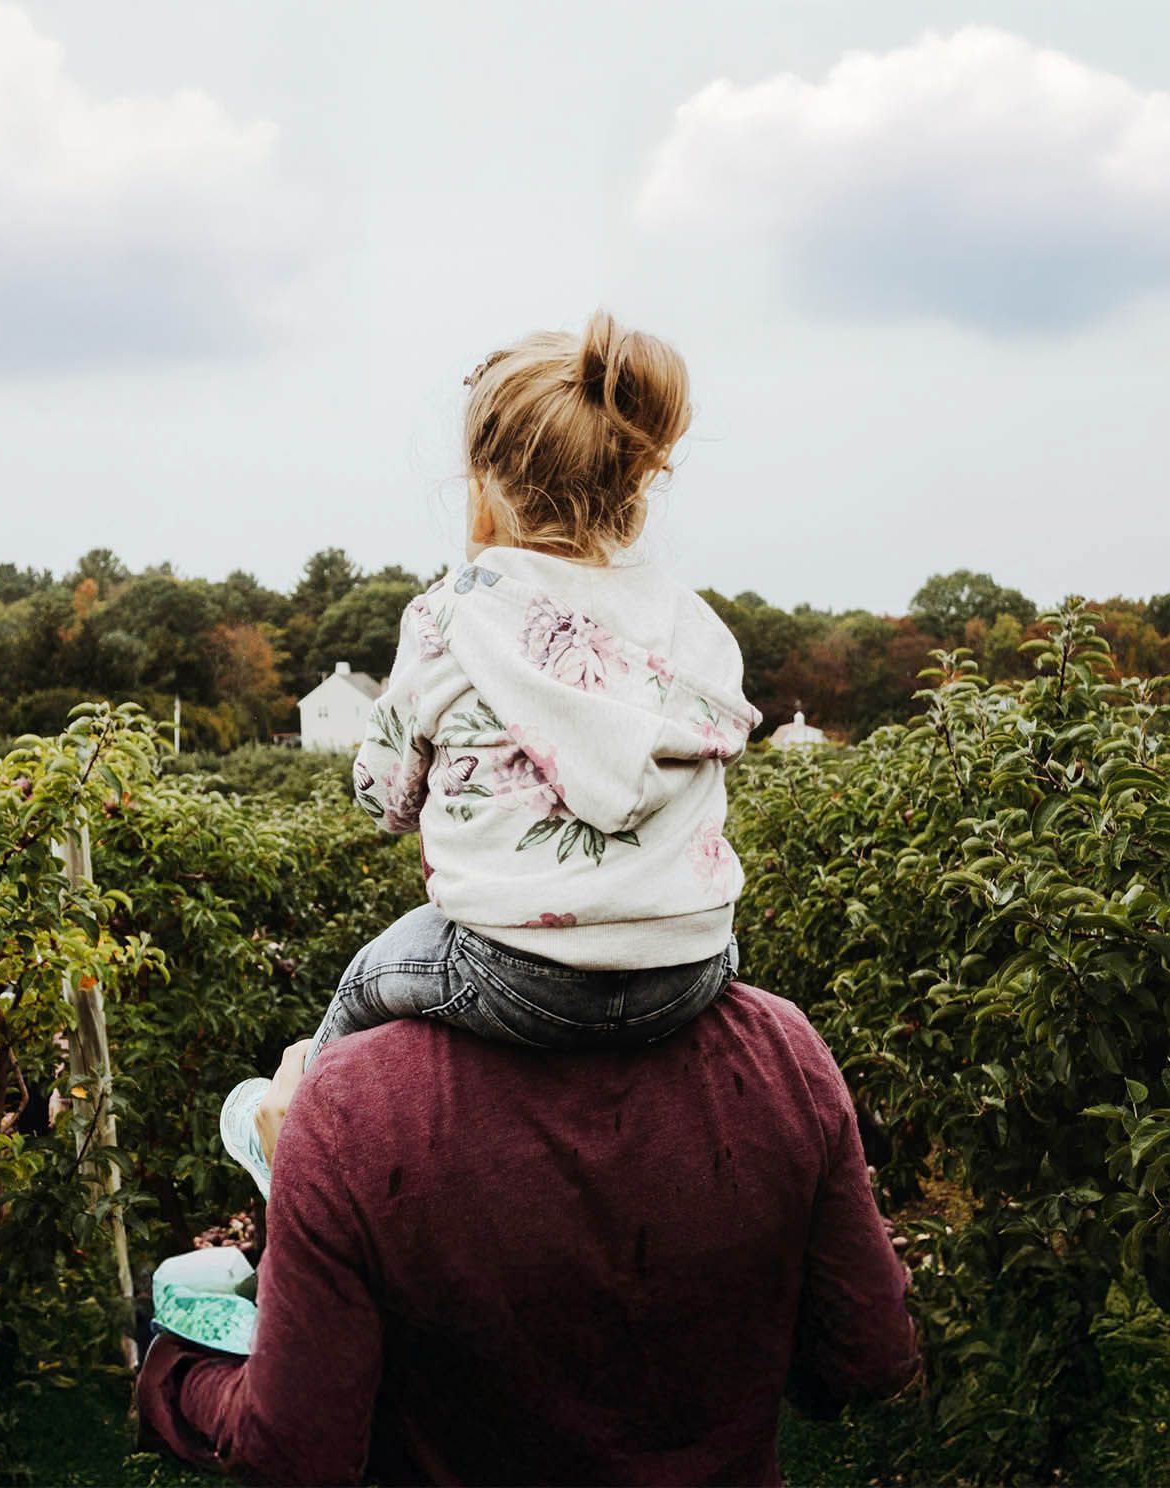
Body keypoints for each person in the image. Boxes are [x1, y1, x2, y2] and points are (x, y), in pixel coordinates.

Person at [221, 311, 763, 1192]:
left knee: (366, 977)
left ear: (487, 485)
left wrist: (395, 785)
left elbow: (386, 796)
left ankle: (291, 1151)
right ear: (635, 482)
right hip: (691, 967)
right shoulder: (692, 623)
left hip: (514, 973)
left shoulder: (453, 613)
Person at [139, 982, 922, 1484]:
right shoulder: (778, 1044)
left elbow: (299, 1447)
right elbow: (867, 1357)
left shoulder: (353, 1101)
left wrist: (176, 1377)